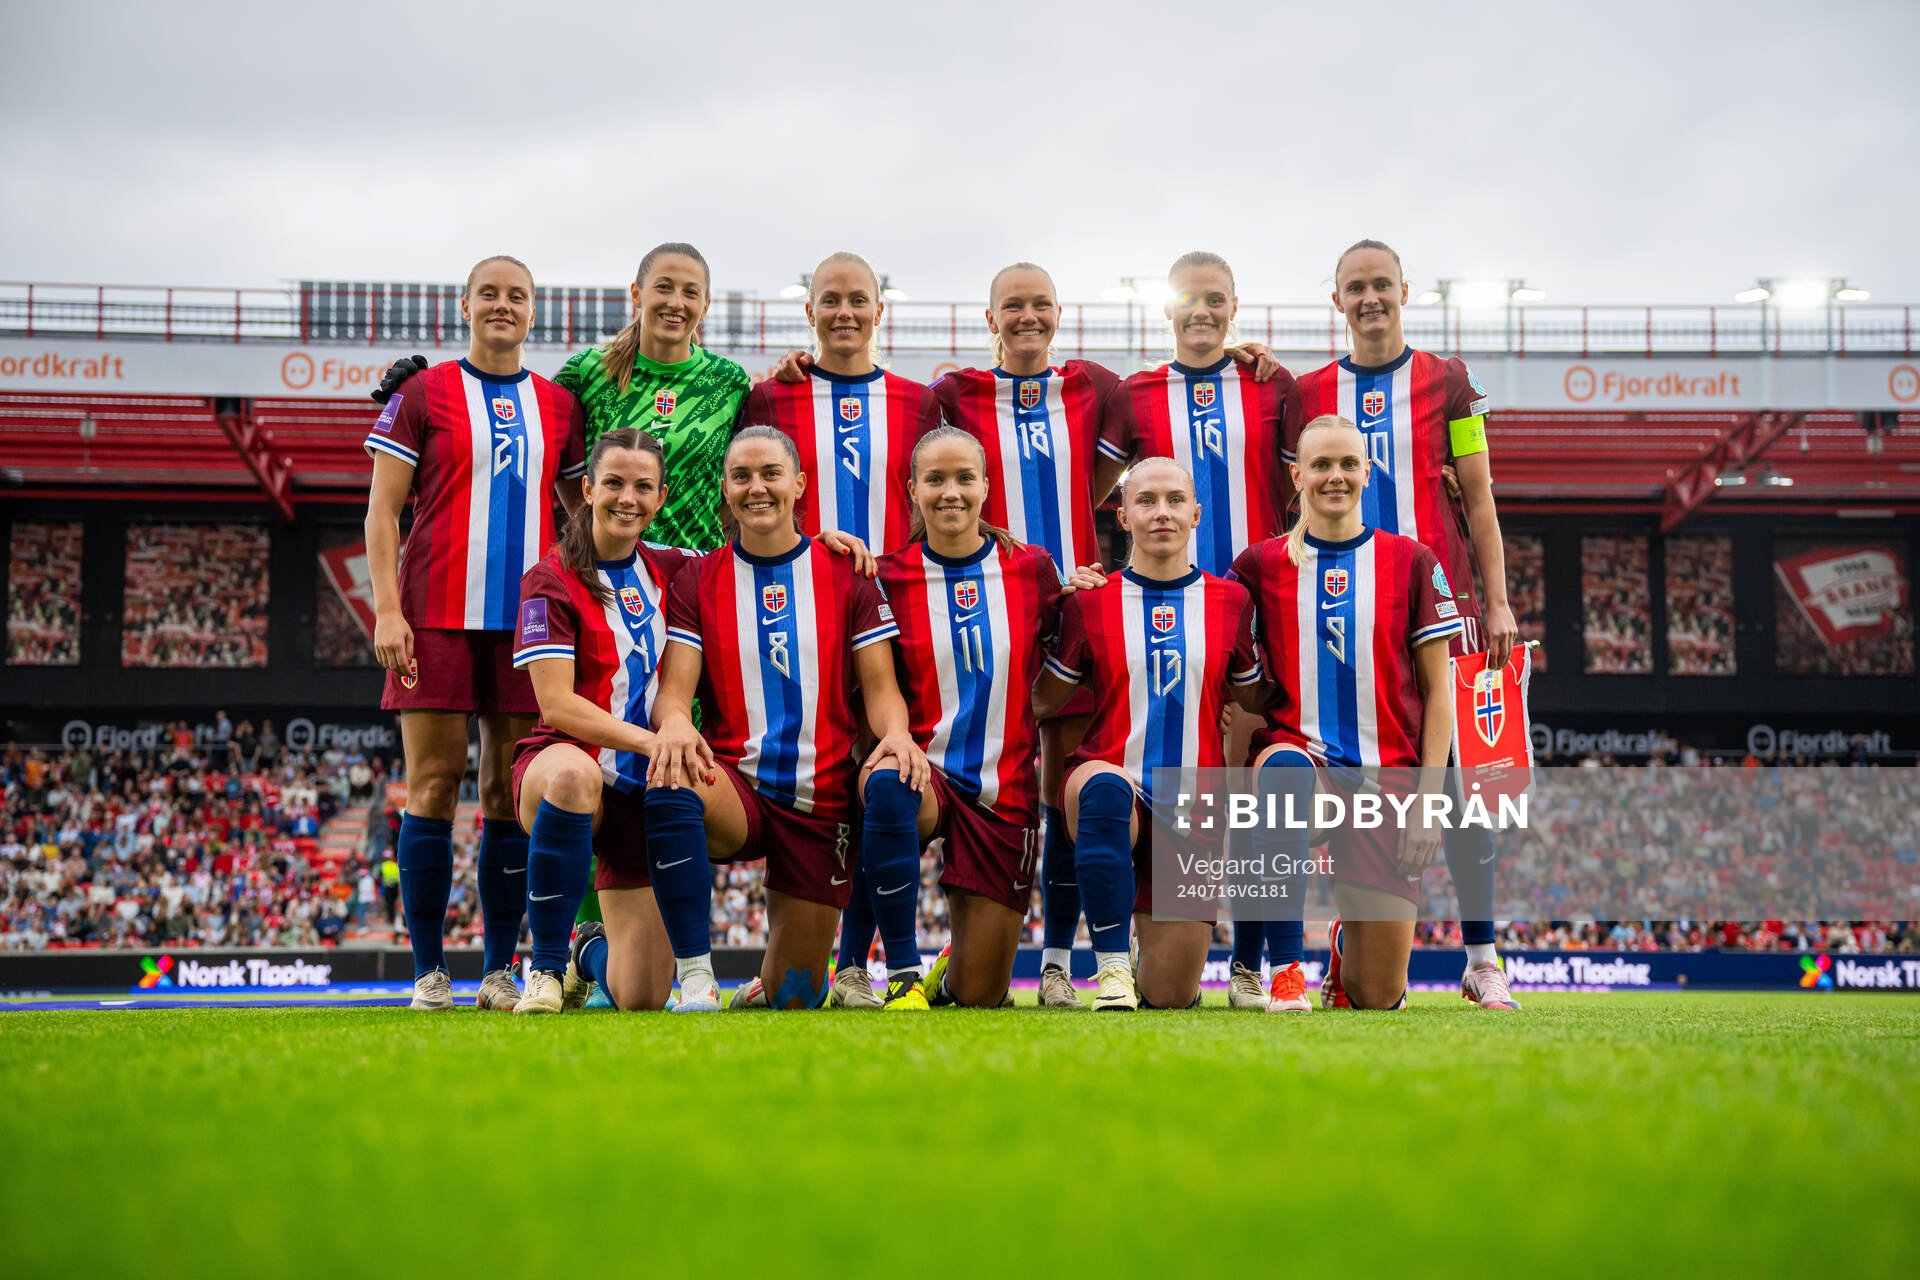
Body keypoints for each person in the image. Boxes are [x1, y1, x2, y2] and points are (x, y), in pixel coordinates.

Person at [1287, 239, 1520, 1010]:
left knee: (1458, 790)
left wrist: (1497, 600)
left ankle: (1483, 960)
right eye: (1355, 287)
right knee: (1348, 776)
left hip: (1441, 610)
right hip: (1343, 617)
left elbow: (1479, 496)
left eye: (1381, 284)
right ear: (1337, 301)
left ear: (1405, 291)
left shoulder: (1448, 381)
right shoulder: (1309, 392)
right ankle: (1343, 942)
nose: (1370, 298)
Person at [362, 254, 587, 1012]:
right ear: (465, 306)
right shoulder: (424, 394)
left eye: (516, 295)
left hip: (529, 624)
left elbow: (580, 518)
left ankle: (497, 970)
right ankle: (429, 972)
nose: (503, 305)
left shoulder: (559, 406)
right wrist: (387, 610)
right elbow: (381, 512)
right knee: (432, 783)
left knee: (503, 791)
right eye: (488, 293)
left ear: (533, 311)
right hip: (432, 614)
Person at [643, 427, 931, 1011]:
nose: (757, 488)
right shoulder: (697, 580)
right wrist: (673, 721)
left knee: (795, 996)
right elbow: (674, 694)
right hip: (734, 787)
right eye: (742, 476)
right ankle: (696, 978)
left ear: (798, 484)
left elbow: (881, 689)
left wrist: (898, 734)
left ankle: (773, 980)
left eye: (771, 474)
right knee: (671, 776)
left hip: (819, 801)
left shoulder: (846, 573)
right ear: (725, 489)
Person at [1109, 251, 1298, 1010]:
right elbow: (1096, 492)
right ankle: (1088, 953)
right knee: (1125, 776)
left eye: (1216, 299)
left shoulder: (1271, 384)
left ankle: (1249, 963)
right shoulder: (1134, 393)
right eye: (1189, 298)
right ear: (1166, 308)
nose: (1202, 311)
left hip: (1248, 615)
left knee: (1243, 792)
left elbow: (1308, 481)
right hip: (1154, 611)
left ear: (1234, 307)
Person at [1231, 415, 1461, 1010]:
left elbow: (1441, 693)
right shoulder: (1258, 565)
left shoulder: (1412, 561)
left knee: (1376, 994)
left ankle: (1342, 949)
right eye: (1321, 465)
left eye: (1348, 464)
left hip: (1387, 782)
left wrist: (1428, 803)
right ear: (1297, 476)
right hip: (1300, 764)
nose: (1336, 476)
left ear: (1367, 470)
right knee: (1284, 774)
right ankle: (1285, 971)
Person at [1032, 457, 1265, 1011]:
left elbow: (1257, 697)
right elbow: (1042, 700)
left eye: (1175, 500)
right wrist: (1043, 614)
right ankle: (1112, 967)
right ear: (1123, 517)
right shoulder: (1090, 601)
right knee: (1104, 789)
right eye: (1146, 501)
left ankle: (1143, 963)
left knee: (1172, 995)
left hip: (1191, 807)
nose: (1162, 512)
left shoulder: (1232, 602)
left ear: (1196, 514)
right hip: (1108, 780)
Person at [868, 426, 1069, 1007]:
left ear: (986, 486)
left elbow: (1071, 662)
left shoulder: (1033, 569)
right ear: (913, 490)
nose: (950, 492)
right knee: (887, 785)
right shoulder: (885, 575)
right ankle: (903, 975)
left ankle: (950, 974)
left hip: (1002, 789)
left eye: (964, 478)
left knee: (980, 995)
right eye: (935, 479)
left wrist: (1089, 589)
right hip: (920, 772)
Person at [508, 429, 697, 1013]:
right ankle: (543, 969)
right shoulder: (548, 577)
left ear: (661, 497)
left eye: (643, 487)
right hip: (561, 765)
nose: (627, 498)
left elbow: (757, 554)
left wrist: (825, 542)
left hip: (639, 789)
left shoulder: (674, 567)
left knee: (641, 995)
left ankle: (584, 952)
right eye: (613, 483)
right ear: (588, 489)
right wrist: (653, 740)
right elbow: (557, 705)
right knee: (574, 776)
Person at [742, 251, 941, 556]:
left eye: (858, 300)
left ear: (878, 312)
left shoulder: (919, 402)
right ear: (810, 313)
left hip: (891, 580)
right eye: (831, 300)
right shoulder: (770, 399)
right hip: (802, 578)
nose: (844, 312)